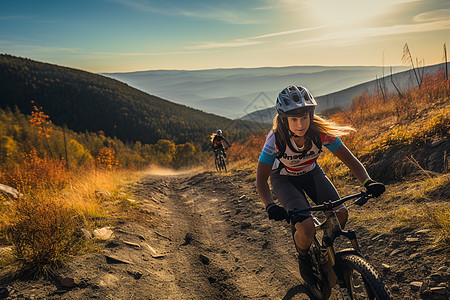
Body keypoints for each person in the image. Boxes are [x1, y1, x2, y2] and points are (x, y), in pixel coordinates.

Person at [256, 85, 385, 285]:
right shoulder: (275, 139)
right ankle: (304, 256)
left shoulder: (320, 133)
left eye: (304, 117)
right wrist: (270, 205)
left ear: (311, 114)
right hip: (284, 179)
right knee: (306, 229)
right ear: (284, 119)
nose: (300, 124)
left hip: (311, 173)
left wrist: (368, 181)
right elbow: (261, 179)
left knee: (341, 214)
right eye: (293, 119)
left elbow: (350, 160)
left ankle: (325, 251)